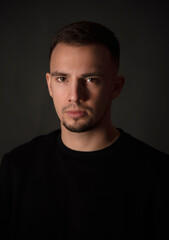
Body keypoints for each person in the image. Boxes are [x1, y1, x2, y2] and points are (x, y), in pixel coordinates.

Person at [0, 21, 168, 240]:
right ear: (50, 85)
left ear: (115, 87)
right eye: (62, 79)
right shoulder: (16, 169)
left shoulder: (160, 176)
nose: (74, 95)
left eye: (90, 79)